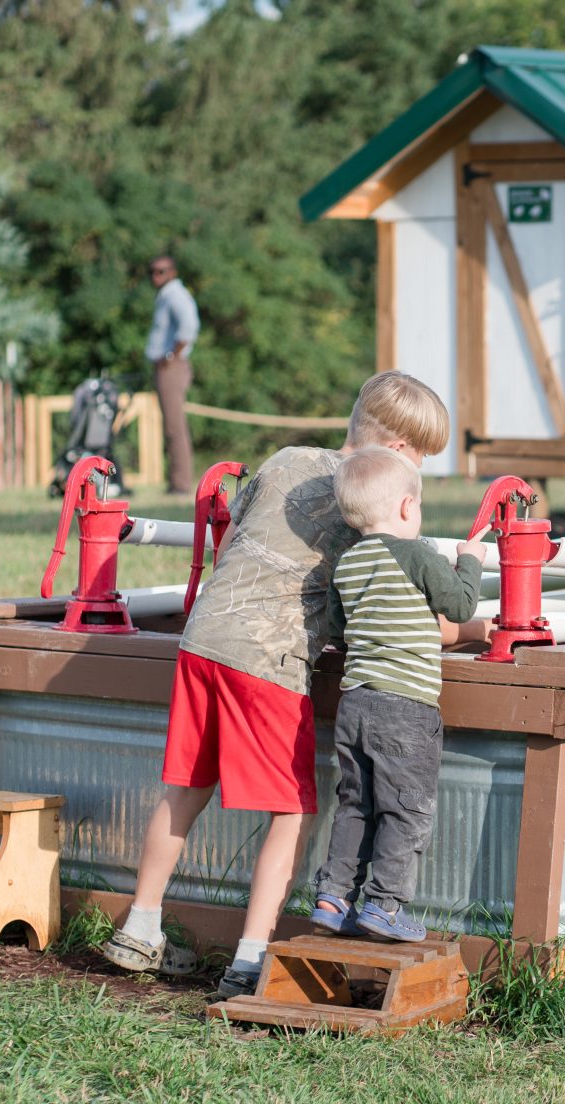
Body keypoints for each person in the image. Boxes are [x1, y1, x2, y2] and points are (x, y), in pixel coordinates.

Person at [97, 371, 467, 998]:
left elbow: (231, 539)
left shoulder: (287, 458)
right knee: (290, 809)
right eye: (422, 459)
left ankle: (140, 925)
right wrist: (477, 629)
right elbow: (426, 621)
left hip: (204, 639)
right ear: (401, 451)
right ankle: (249, 959)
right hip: (268, 662)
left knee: (186, 788)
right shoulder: (370, 506)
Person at [307, 448, 488, 943]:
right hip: (405, 706)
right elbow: (459, 603)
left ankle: (333, 897)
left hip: (356, 703)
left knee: (356, 804)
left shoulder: (346, 564)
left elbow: (339, 631)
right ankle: (384, 905)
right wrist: (471, 562)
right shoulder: (415, 555)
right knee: (405, 807)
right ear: (408, 508)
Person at [144, 254, 199, 494]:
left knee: (175, 427)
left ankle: (181, 483)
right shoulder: (166, 295)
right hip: (167, 366)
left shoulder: (175, 294)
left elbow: (189, 327)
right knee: (171, 426)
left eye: (162, 271)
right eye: (153, 271)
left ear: (172, 272)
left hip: (172, 367)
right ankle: (176, 481)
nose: (157, 276)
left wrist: (171, 356)